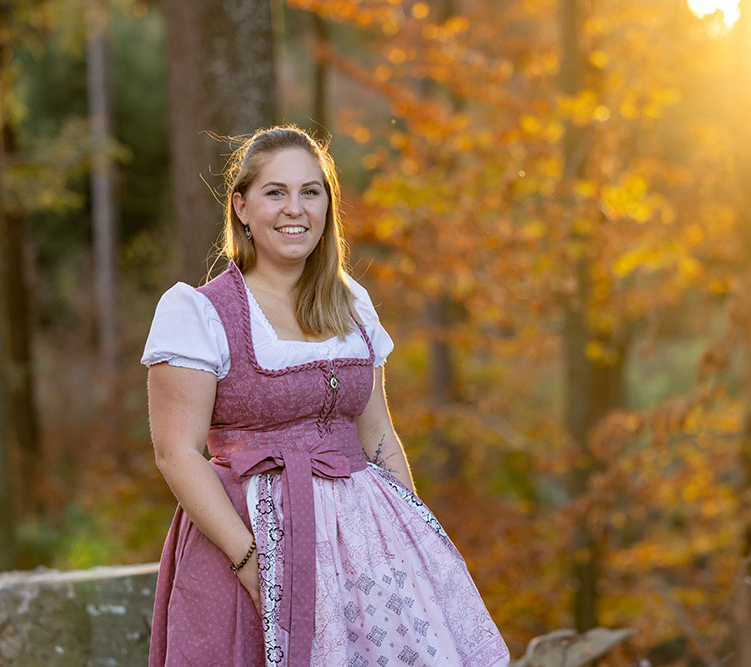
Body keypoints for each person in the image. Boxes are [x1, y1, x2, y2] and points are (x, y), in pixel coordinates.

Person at [141, 126, 510, 666]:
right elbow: (176, 452)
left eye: (310, 192)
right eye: (276, 193)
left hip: (363, 546)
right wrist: (250, 562)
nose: (296, 209)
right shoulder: (199, 314)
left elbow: (378, 433)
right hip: (249, 539)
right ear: (241, 207)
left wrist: (414, 541)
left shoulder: (351, 304)